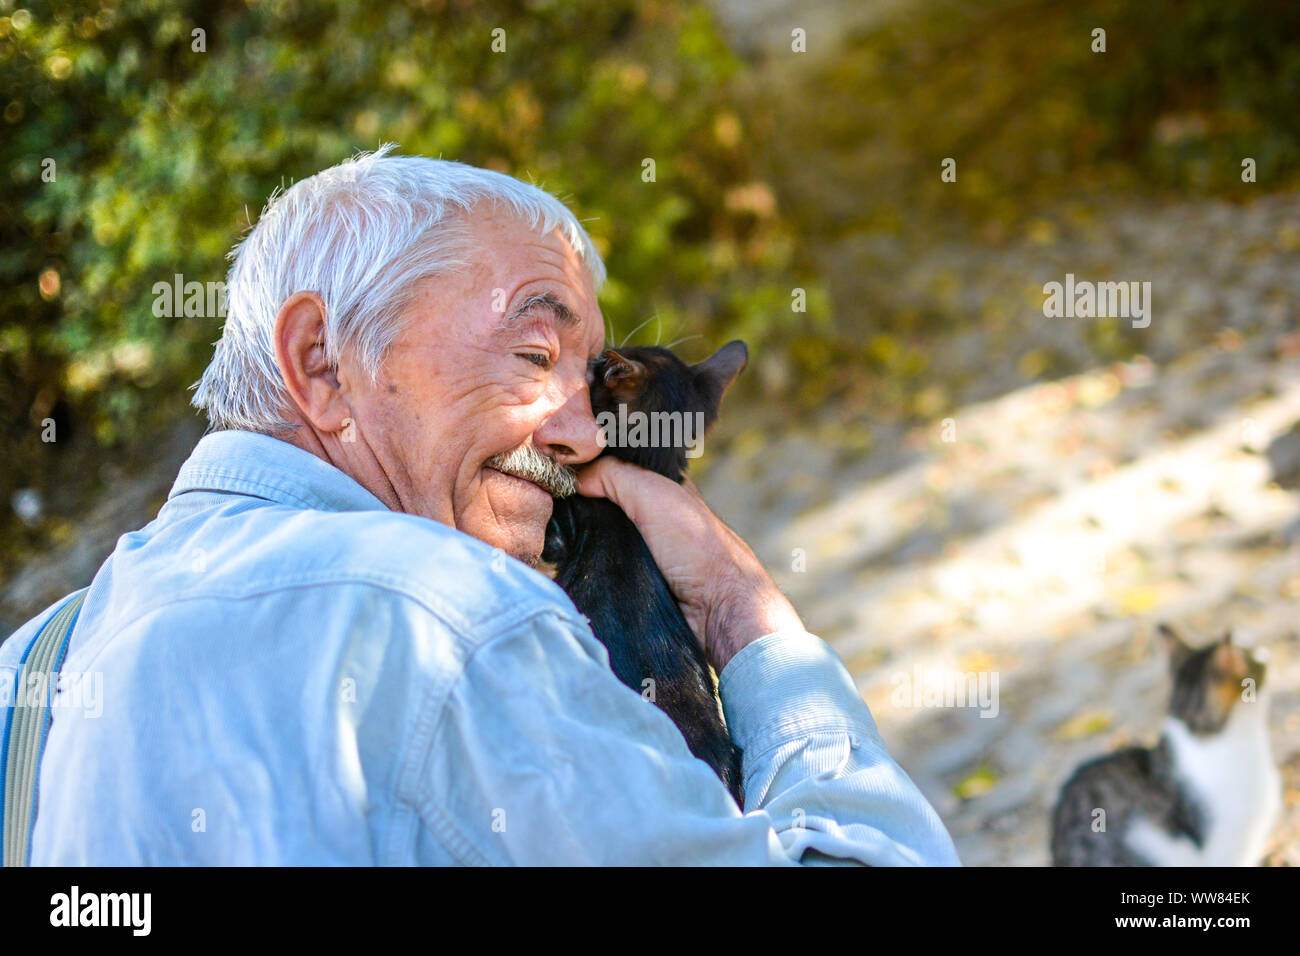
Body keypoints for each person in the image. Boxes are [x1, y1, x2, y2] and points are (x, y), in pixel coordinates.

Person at [2, 146, 959, 865]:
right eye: (535, 358)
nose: (585, 434)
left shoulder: (27, 678)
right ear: (321, 364)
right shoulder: (447, 623)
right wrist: (741, 613)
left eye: (590, 379)